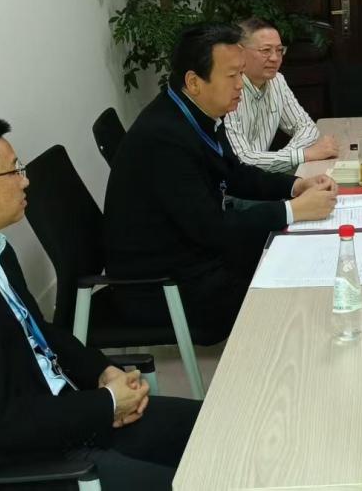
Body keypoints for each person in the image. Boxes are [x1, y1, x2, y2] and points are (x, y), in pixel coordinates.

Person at [0, 117, 200, 489]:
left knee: (217, 430)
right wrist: (106, 404)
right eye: (14, 171)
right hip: (16, 465)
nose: (26, 180)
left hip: (59, 420)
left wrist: (101, 372)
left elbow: (38, 331)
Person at [104, 23, 337, 344]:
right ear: (194, 82)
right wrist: (293, 211)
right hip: (162, 286)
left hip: (193, 257)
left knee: (297, 254)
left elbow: (235, 173)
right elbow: (212, 228)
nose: (241, 84)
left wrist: (295, 186)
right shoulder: (164, 139)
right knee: (291, 288)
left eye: (241, 73)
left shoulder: (198, 112)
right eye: (232, 76)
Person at [223, 17, 338, 173]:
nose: (275, 58)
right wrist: (302, 155)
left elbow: (307, 127)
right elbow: (242, 160)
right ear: (240, 51)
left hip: (263, 177)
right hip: (232, 183)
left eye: (279, 50)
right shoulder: (228, 90)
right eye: (266, 50)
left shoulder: (277, 81)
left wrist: (290, 156)